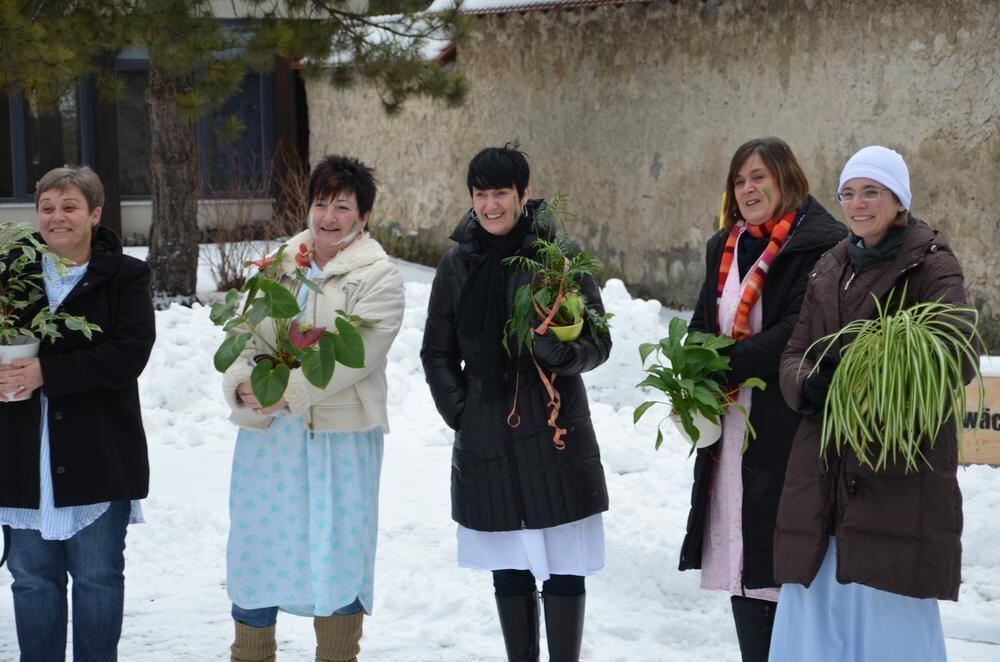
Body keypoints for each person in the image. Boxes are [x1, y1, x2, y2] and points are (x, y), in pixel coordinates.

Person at [769, 146, 972, 661]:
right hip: (822, 472)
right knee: (818, 619)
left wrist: (874, 376)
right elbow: (795, 351)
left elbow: (958, 351)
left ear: (899, 200)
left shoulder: (931, 264)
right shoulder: (831, 265)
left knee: (885, 618)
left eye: (872, 192)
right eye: (849, 193)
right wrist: (809, 383)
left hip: (893, 473)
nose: (858, 204)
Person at [420, 146, 611, 662]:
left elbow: (599, 339)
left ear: (524, 196)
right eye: (480, 194)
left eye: (500, 193)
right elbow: (437, 351)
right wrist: (461, 412)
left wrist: (564, 353)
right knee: (510, 569)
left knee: (565, 567)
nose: (490, 205)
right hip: (487, 435)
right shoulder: (457, 265)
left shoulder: (559, 256)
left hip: (556, 434)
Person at [221, 155, 404, 662]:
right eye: (320, 203)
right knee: (259, 546)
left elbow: (358, 355)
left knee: (337, 548)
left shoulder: (378, 276)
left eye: (342, 206)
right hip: (270, 436)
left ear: (363, 216)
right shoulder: (283, 261)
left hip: (340, 438)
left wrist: (290, 393)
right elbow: (245, 330)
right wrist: (243, 386)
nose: (328, 216)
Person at [677, 137, 847, 662]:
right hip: (731, 423)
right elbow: (706, 321)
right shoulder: (723, 246)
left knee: (781, 554)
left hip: (786, 419)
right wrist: (688, 367)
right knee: (742, 558)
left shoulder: (821, 244)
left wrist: (718, 364)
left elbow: (794, 330)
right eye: (739, 180)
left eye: (759, 177)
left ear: (786, 178)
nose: (748, 188)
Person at [0, 166, 156, 660]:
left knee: (98, 579)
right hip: (22, 456)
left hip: (98, 452)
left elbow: (130, 353)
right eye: (47, 208)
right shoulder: (11, 276)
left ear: (93, 214)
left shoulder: (125, 277)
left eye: (69, 207)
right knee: (31, 580)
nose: (57, 217)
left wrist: (49, 372)